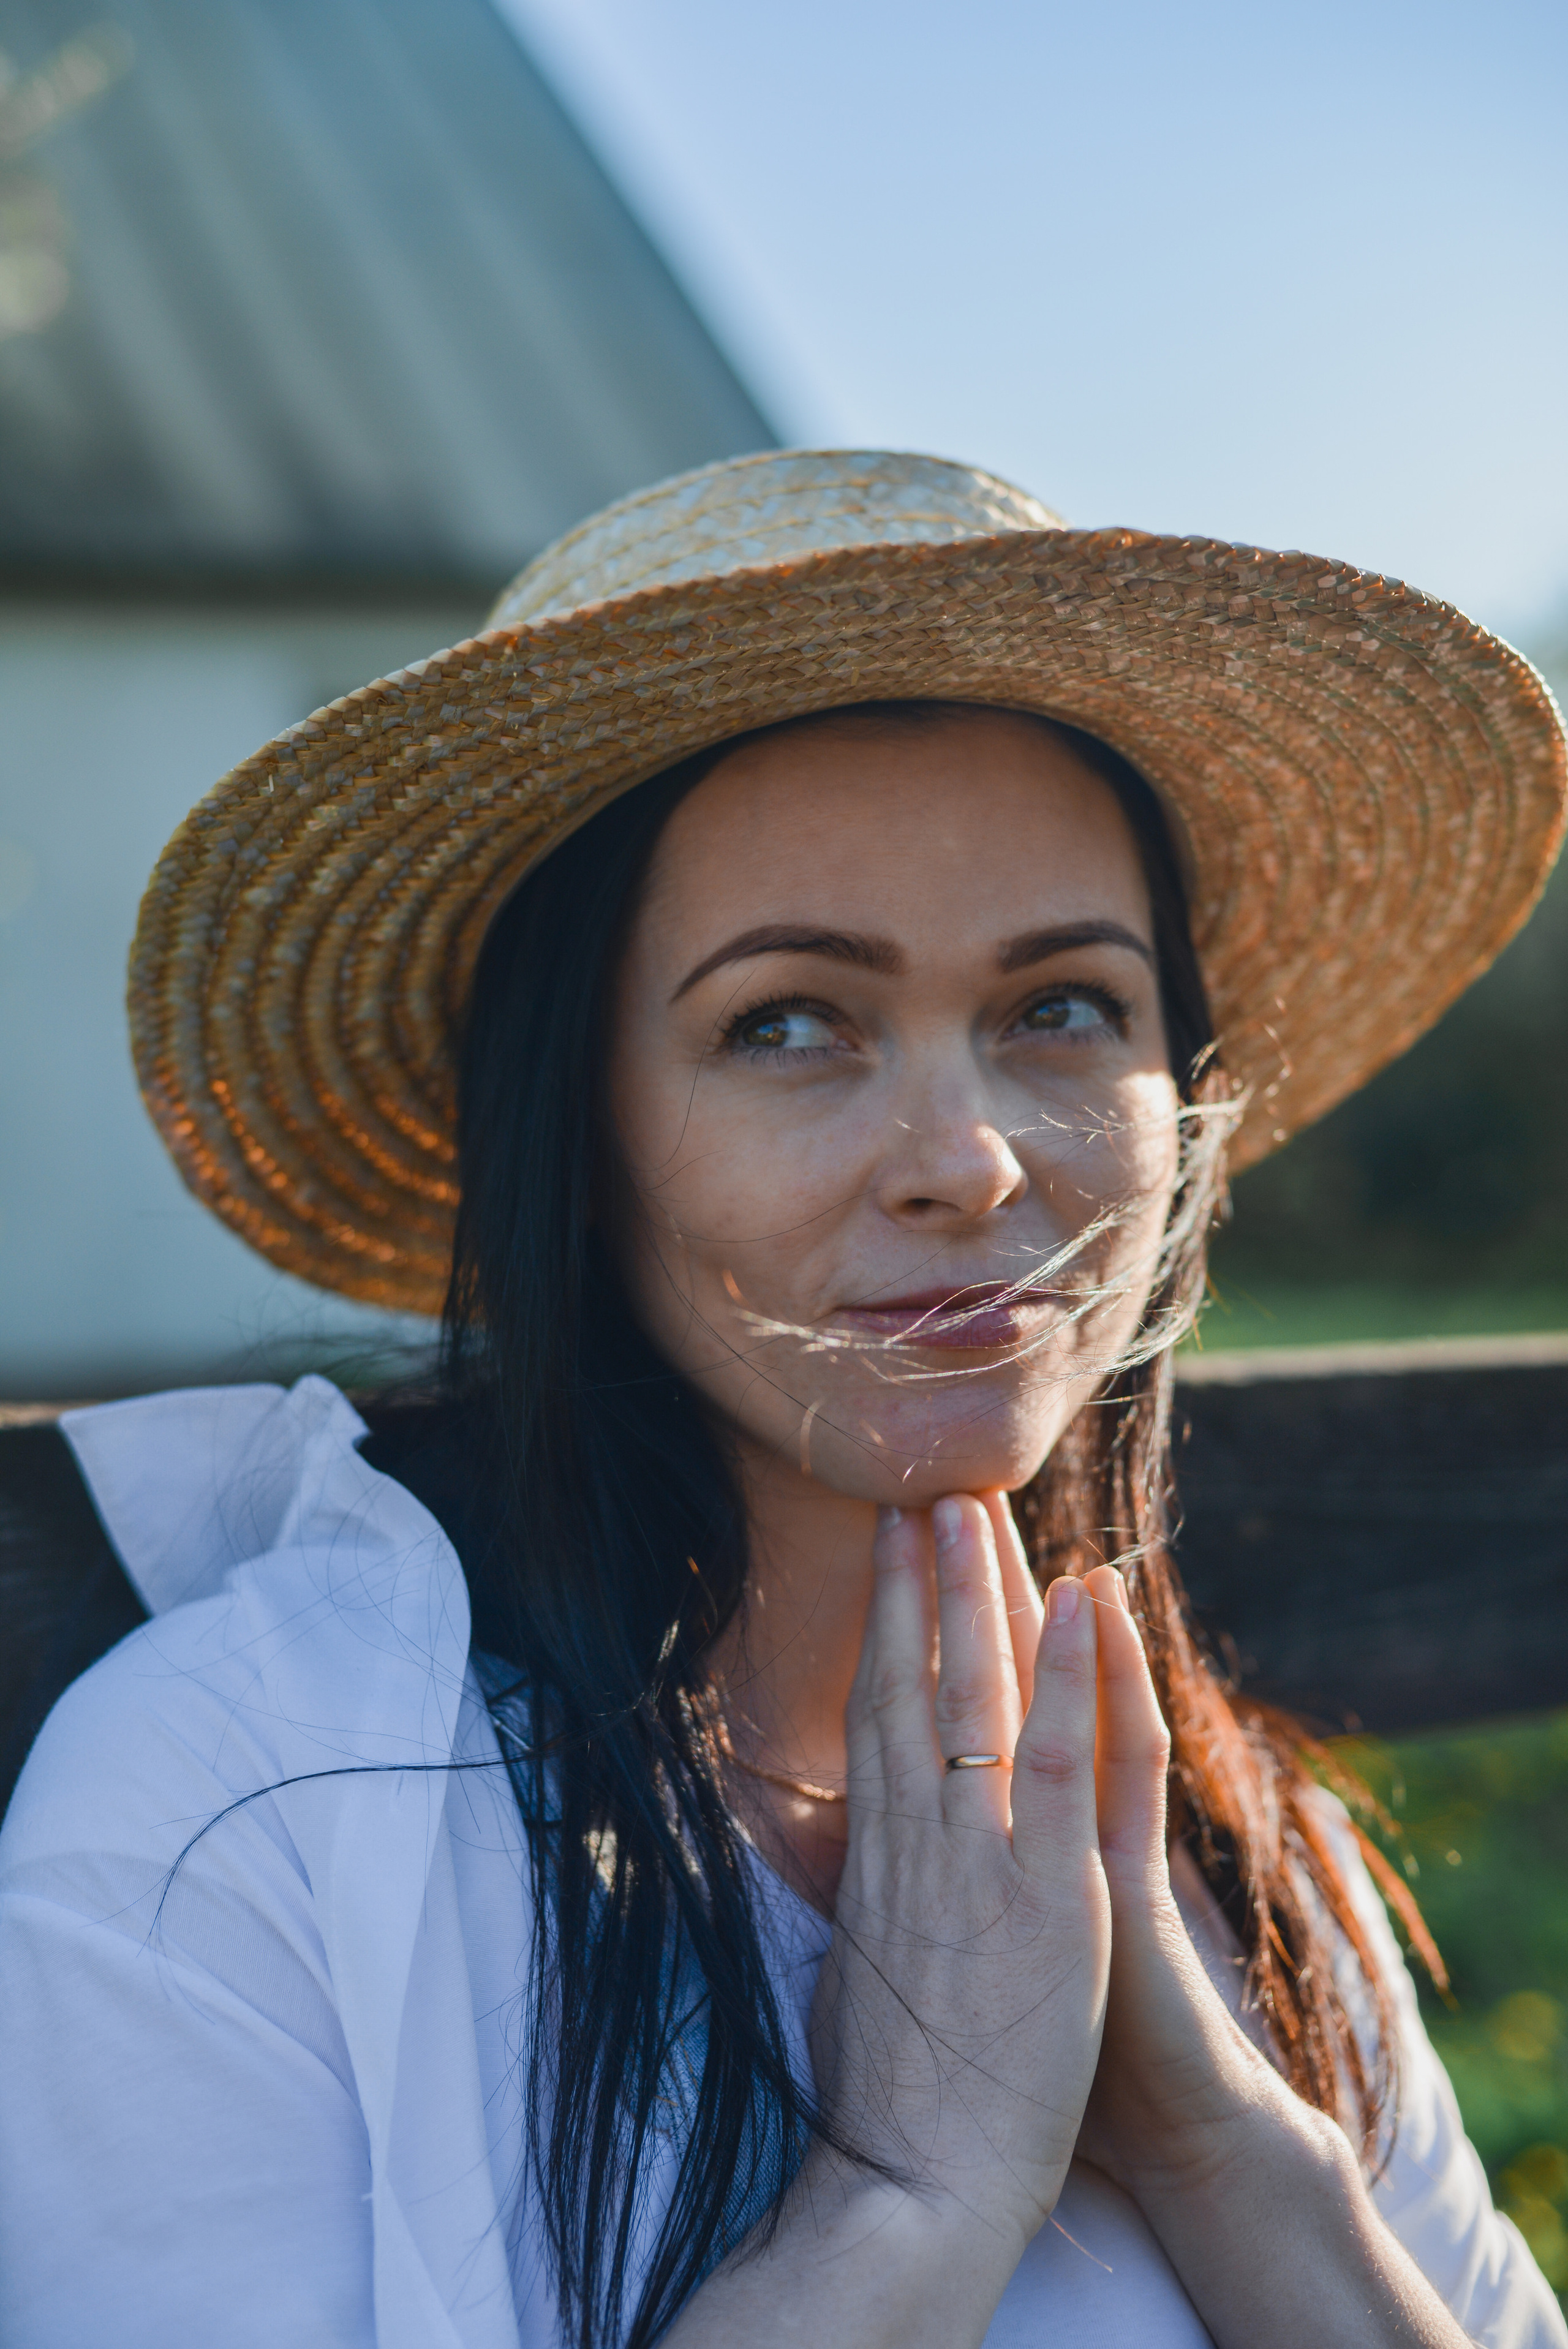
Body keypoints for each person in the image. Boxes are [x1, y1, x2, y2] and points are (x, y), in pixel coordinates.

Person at [1, 451, 1564, 2349]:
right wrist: (910, 2195)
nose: (969, 1160)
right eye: (788, 1021)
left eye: (1063, 1004)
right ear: (574, 1140)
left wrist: (1241, 2153)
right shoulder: (233, 1824)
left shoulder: (1244, 1864)